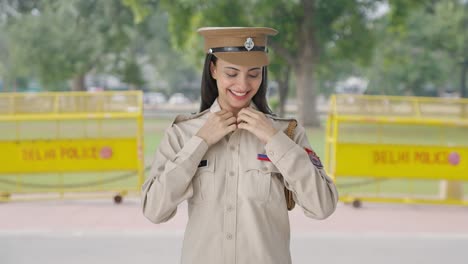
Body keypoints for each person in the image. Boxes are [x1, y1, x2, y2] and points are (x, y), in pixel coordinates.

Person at [141, 27, 338, 264]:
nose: (243, 84)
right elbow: (154, 210)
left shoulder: (287, 133)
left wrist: (274, 139)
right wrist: (200, 142)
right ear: (213, 69)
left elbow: (322, 206)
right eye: (232, 73)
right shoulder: (183, 134)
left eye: (253, 74)